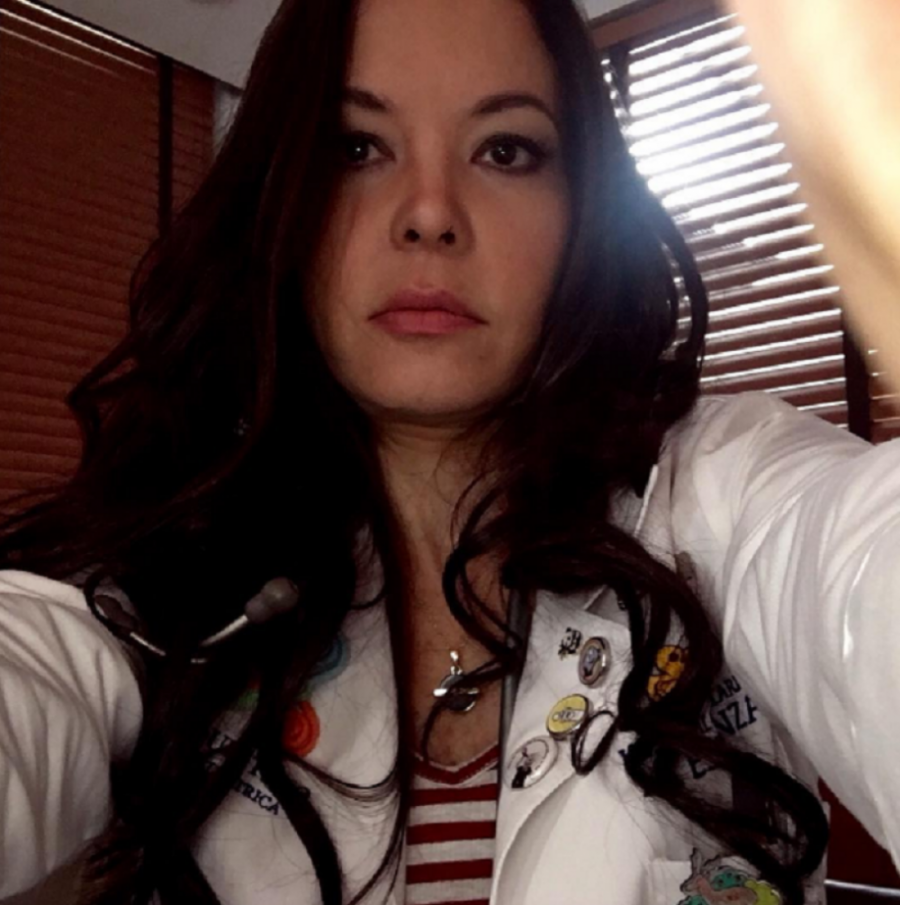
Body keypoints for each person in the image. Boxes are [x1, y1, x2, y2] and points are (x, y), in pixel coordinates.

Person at [0, 0, 897, 903]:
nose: (429, 214)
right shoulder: (168, 568)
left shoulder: (730, 484)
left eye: (505, 150)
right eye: (356, 147)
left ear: (582, 209)